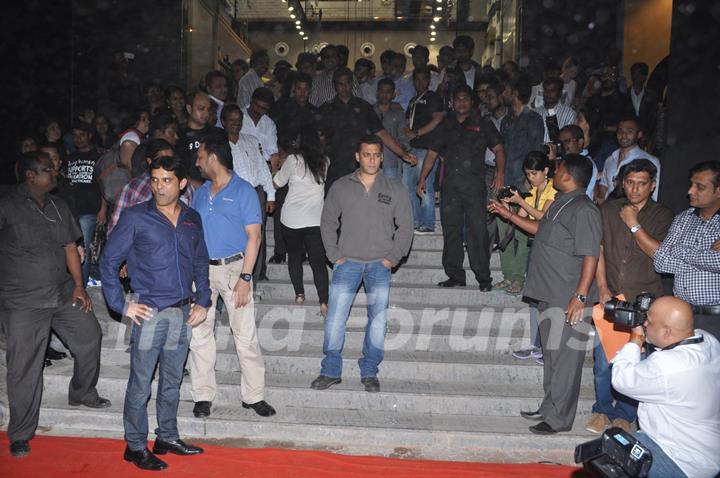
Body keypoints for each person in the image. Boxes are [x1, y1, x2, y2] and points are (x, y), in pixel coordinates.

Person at [100, 155, 210, 471]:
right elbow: (108, 261)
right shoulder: (136, 217)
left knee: (173, 381)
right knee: (141, 384)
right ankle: (135, 446)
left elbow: (201, 261)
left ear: (183, 183)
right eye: (155, 179)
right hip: (149, 314)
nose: (160, 187)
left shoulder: (192, 218)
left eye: (167, 180)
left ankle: (167, 437)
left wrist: (203, 299)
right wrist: (121, 304)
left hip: (182, 312)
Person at [1, 152, 109, 458]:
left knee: (90, 337)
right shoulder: (7, 206)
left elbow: (70, 247)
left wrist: (79, 286)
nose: (55, 173)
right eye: (48, 170)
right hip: (23, 301)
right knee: (24, 367)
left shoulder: (60, 206)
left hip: (62, 293)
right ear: (31, 176)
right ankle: (21, 433)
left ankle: (82, 392)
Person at [492, 155, 601, 434]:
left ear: (569, 176)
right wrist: (509, 215)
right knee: (552, 356)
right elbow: (540, 229)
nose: (554, 173)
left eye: (559, 169)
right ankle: (549, 407)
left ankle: (559, 419)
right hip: (548, 292)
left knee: (565, 360)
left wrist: (580, 296)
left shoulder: (584, 209)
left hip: (567, 297)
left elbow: (591, 253)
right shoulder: (561, 202)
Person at [312, 135, 413, 393]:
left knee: (378, 321)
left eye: (376, 154)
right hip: (347, 264)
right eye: (366, 154)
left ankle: (369, 371)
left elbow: (406, 227)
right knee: (335, 318)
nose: (371, 159)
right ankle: (331, 370)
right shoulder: (341, 187)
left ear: (381, 157)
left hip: (380, 265)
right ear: (358, 156)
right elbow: (327, 222)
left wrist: (393, 256)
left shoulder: (395, 188)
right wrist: (334, 256)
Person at [189, 133, 276, 419]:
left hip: (234, 270)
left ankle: (254, 396)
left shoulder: (244, 191)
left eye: (201, 156)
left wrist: (246, 278)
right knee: (200, 334)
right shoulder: (200, 193)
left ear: (213, 157)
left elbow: (255, 236)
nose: (198, 162)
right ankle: (202, 395)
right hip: (203, 271)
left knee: (245, 336)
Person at [586, 159, 673, 435]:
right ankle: (602, 409)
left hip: (647, 301)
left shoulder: (662, 215)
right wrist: (601, 286)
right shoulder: (608, 209)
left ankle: (625, 413)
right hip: (612, 297)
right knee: (603, 363)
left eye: (642, 183)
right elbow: (597, 248)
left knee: (638, 363)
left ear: (653, 185)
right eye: (630, 182)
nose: (635, 188)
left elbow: (659, 253)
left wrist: (634, 223)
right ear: (622, 183)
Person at [612, 296, 720, 478]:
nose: (645, 323)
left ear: (667, 331)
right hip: (709, 451)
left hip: (681, 460)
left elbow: (621, 379)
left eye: (649, 321)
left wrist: (636, 338)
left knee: (611, 447)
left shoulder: (669, 366)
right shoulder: (708, 340)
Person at [416, 85, 506, 290]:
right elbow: (431, 154)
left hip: (475, 186)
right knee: (451, 231)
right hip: (450, 187)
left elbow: (499, 148)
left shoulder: (483, 123)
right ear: (452, 102)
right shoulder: (445, 124)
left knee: (478, 231)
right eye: (458, 99)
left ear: (472, 102)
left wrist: (500, 174)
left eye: (466, 99)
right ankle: (455, 275)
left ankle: (484, 277)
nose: (462, 103)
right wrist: (422, 179)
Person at [490, 152, 557, 362]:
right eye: (528, 174)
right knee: (533, 298)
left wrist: (521, 200)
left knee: (548, 299)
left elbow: (542, 219)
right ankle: (536, 344)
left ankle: (547, 347)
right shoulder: (534, 190)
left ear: (546, 171)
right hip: (537, 250)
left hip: (552, 252)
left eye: (534, 173)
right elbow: (521, 219)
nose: (531, 178)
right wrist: (506, 208)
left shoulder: (554, 190)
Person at [318, 67, 416, 191]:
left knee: (360, 204)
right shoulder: (327, 109)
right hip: (334, 165)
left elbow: (382, 133)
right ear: (335, 85)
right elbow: (319, 138)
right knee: (335, 204)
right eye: (340, 84)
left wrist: (403, 154)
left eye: (347, 83)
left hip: (358, 165)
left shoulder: (363, 107)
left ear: (352, 84)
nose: (344, 87)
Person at [654, 161, 720, 340]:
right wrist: (704, 260)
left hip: (715, 318)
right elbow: (660, 262)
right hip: (682, 316)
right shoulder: (683, 219)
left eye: (700, 187)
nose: (690, 191)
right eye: (691, 184)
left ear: (718, 191)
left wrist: (681, 250)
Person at [273, 127, 330, 316]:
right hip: (315, 219)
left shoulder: (292, 160)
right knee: (318, 262)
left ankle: (299, 294)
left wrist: (275, 166)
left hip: (291, 219)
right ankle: (323, 302)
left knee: (294, 256)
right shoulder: (325, 161)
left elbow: (277, 183)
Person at [268, 72, 318, 264]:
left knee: (305, 209)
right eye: (299, 89)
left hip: (305, 166)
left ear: (310, 91)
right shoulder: (281, 108)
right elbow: (272, 134)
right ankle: (280, 251)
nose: (302, 93)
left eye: (306, 89)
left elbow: (317, 140)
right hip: (283, 162)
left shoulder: (315, 112)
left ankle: (302, 251)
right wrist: (283, 154)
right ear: (293, 89)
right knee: (281, 206)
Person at [240, 88, 279, 281]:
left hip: (260, 174)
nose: (259, 111)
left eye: (264, 109)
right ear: (251, 101)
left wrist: (272, 183)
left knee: (258, 228)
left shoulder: (268, 123)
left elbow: (273, 154)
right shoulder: (237, 117)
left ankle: (258, 272)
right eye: (257, 106)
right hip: (238, 175)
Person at [65, 121, 108, 286]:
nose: (78, 138)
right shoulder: (70, 158)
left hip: (90, 211)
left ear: (90, 135)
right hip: (72, 211)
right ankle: (77, 284)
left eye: (82, 134)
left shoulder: (98, 156)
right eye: (75, 135)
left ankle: (80, 287)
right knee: (75, 249)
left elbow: (105, 184)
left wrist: (103, 209)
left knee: (82, 250)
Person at [403, 67, 444, 234]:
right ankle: (414, 220)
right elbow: (407, 122)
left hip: (427, 147)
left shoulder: (433, 97)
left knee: (424, 183)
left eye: (423, 79)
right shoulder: (413, 100)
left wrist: (418, 132)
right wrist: (406, 132)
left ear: (429, 81)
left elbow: (438, 118)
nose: (420, 83)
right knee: (407, 185)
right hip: (411, 147)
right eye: (417, 80)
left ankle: (427, 223)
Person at [108, 138, 179, 233]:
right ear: (150, 161)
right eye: (162, 160)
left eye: (170, 159)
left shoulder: (183, 186)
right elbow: (115, 227)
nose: (166, 164)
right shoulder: (134, 188)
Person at [597, 116, 661, 203]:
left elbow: (655, 195)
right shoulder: (610, 159)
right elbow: (604, 185)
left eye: (630, 131)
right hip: (610, 212)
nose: (624, 135)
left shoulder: (650, 161)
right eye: (620, 130)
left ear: (639, 135)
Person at [177, 90, 222, 189]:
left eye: (208, 109)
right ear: (189, 109)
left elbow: (226, 166)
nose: (206, 113)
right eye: (201, 109)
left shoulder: (218, 134)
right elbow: (175, 168)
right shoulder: (178, 135)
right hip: (186, 189)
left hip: (216, 189)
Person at [373, 78, 408, 181]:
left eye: (388, 92)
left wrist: (403, 147)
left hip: (391, 161)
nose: (384, 94)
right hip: (371, 161)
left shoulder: (398, 113)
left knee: (391, 194)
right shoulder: (369, 111)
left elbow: (403, 136)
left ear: (393, 95)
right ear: (377, 93)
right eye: (382, 91)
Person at [533, 76, 577, 144]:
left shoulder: (569, 113)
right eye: (546, 90)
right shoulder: (535, 112)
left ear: (560, 93)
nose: (548, 93)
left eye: (552, 90)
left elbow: (569, 141)